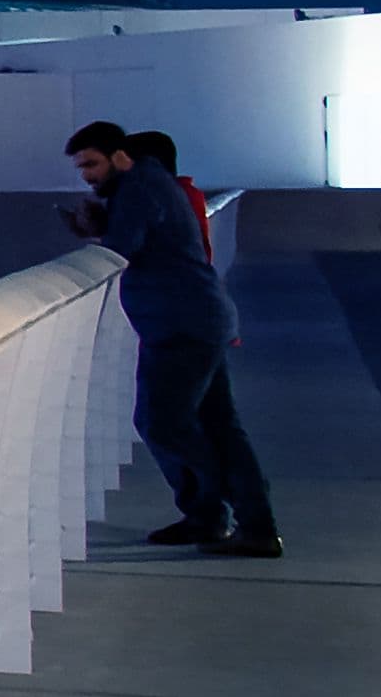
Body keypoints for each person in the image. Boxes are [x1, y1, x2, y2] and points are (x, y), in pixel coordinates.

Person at [68, 118, 278, 557]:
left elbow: (122, 247)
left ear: (120, 157)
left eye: (91, 163)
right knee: (217, 425)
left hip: (181, 326)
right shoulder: (150, 185)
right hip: (194, 320)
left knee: (162, 422)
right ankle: (232, 520)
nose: (86, 174)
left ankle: (217, 506)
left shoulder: (140, 186)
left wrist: (96, 230)